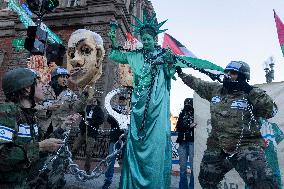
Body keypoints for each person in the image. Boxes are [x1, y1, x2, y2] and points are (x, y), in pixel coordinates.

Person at [176, 61, 279, 189]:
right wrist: (180, 73)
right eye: (227, 72)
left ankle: (235, 162)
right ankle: (228, 162)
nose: (228, 75)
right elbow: (198, 84)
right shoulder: (215, 90)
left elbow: (272, 111)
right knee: (205, 180)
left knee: (265, 183)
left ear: (243, 76)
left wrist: (250, 90)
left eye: (233, 73)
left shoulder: (252, 93)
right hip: (217, 145)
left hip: (246, 145)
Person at [108, 13, 177, 188]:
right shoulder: (136, 55)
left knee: (155, 142)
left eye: (148, 39)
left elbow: (170, 74)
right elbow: (116, 56)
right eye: (143, 38)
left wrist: (169, 63)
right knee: (137, 141)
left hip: (156, 102)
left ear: (155, 39)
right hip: (139, 103)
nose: (145, 41)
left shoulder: (163, 54)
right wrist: (112, 38)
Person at [0, 68, 64, 189]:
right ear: (27, 89)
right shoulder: (7, 112)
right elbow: (2, 156)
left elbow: (40, 145)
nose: (44, 85)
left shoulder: (29, 115)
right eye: (39, 82)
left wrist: (62, 128)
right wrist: (39, 147)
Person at [72, 98, 105, 174]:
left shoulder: (99, 110)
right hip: (83, 132)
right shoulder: (87, 108)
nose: (93, 102)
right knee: (75, 148)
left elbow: (101, 120)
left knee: (88, 152)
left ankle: (87, 169)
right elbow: (80, 112)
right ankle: (68, 163)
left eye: (94, 101)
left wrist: (90, 123)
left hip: (91, 134)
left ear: (97, 102)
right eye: (91, 101)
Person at [102, 96, 128, 189]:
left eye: (123, 100)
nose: (121, 102)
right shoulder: (113, 109)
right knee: (111, 160)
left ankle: (125, 182)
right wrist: (119, 115)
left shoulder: (128, 110)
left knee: (126, 161)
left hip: (125, 139)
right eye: (120, 100)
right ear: (118, 101)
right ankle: (107, 181)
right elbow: (109, 120)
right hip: (114, 138)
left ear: (125, 101)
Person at [175, 98, 196, 189]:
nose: (187, 105)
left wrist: (188, 127)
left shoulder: (196, 113)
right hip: (182, 143)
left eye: (189, 103)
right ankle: (183, 187)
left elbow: (198, 125)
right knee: (183, 168)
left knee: (193, 168)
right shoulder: (182, 114)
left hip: (192, 142)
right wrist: (189, 126)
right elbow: (178, 127)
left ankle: (192, 187)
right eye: (186, 103)